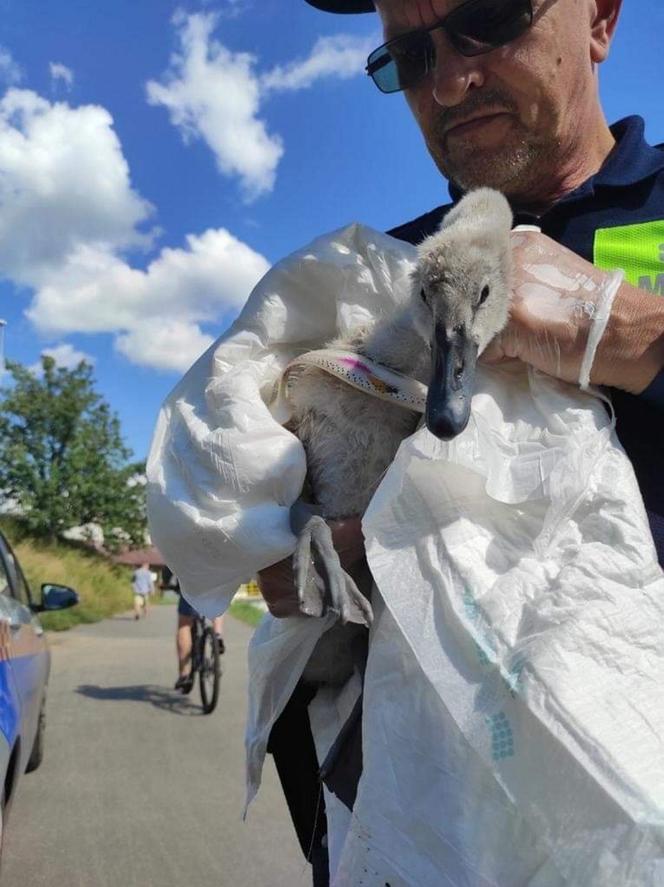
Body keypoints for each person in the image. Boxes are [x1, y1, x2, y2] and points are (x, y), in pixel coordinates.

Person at [148, 0, 664, 882]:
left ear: (602, 18)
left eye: (490, 20)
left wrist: (627, 335)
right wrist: (307, 553)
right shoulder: (387, 269)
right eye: (409, 55)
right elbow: (289, 546)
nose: (450, 82)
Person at [172, 576, 225, 693]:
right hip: (216, 578)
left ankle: (184, 674)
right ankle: (217, 635)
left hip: (192, 582)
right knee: (217, 604)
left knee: (184, 624)